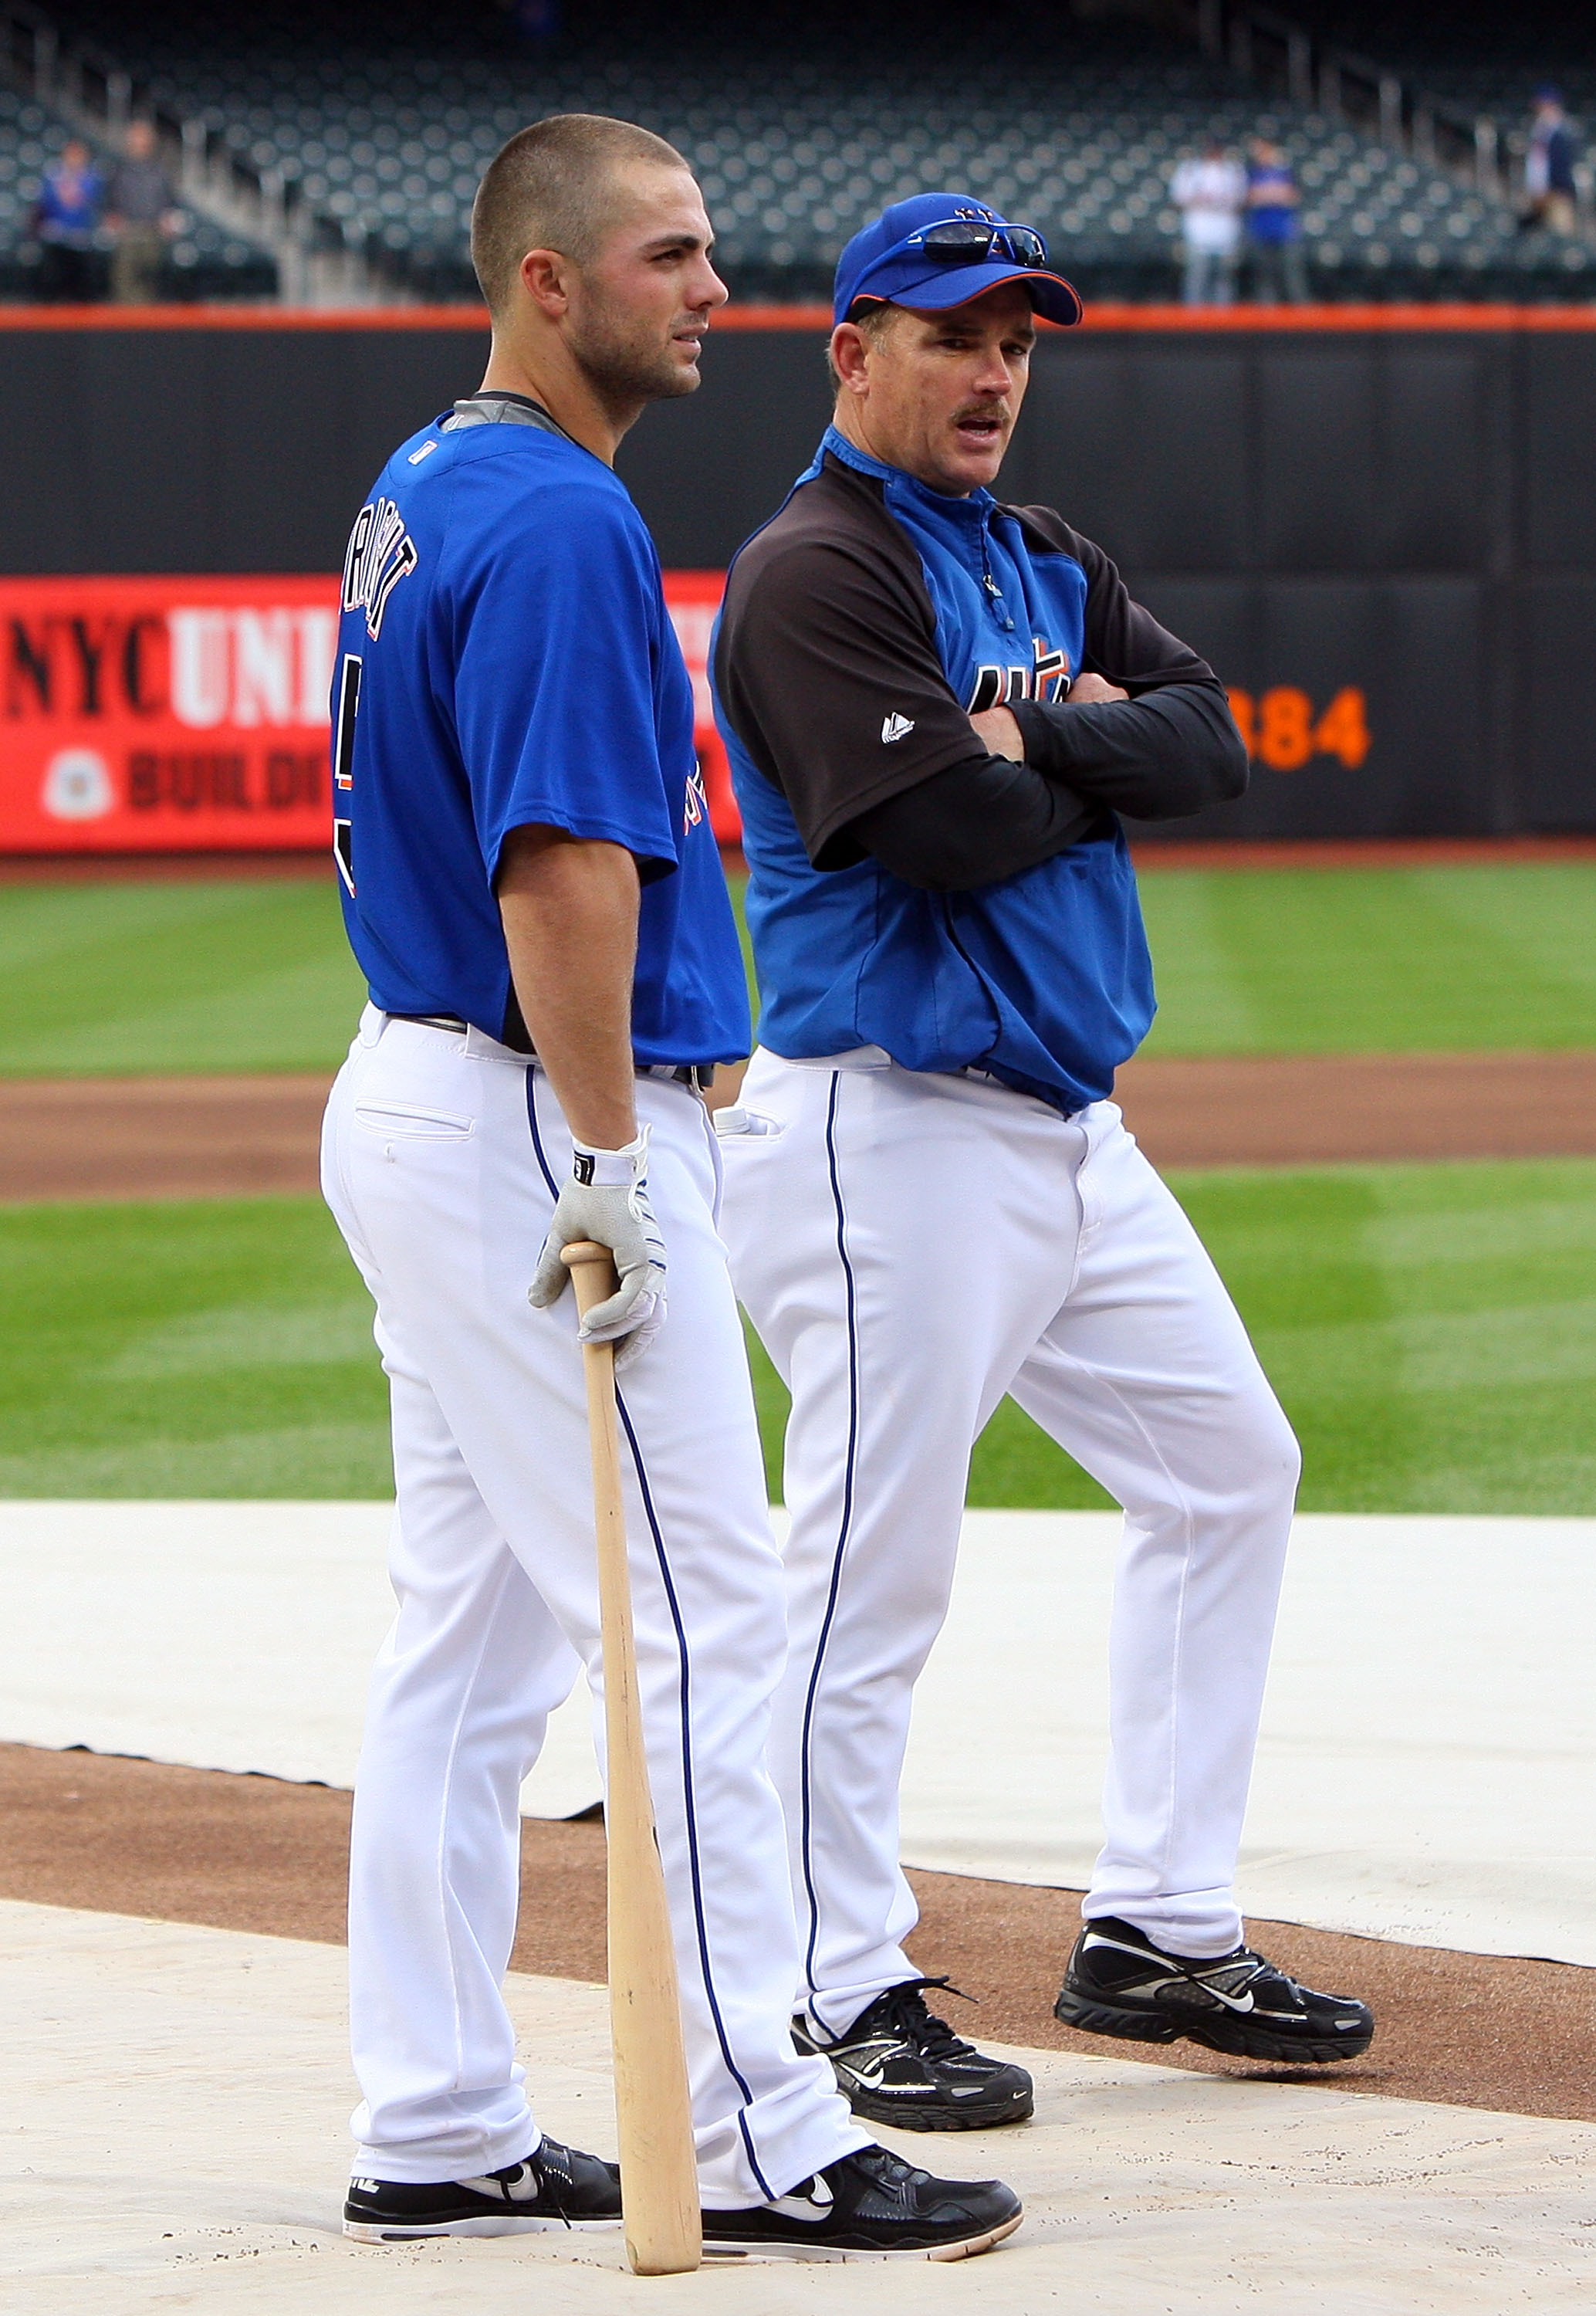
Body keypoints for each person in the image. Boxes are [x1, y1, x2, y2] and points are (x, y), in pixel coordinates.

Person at [320, 117, 1022, 2262]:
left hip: (427, 1104)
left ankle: (434, 2111)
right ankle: (754, 2127)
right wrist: (617, 1165)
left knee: (470, 1643)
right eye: (672, 255)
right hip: (545, 1119)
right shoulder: (550, 521)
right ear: (549, 279)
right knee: (713, 1622)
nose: (716, 290)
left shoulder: (427, 484)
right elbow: (561, 872)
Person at [712, 191, 1376, 2135]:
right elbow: (945, 833)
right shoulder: (814, 568)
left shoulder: (1034, 549)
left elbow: (1214, 744)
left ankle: (1154, 1923)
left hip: (1071, 1131)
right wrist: (1054, 739)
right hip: (885, 1128)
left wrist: (1042, 731)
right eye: (951, 332)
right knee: (863, 1570)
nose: (995, 368)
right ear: (853, 352)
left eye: (1018, 336)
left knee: (1227, 1469)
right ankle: (826, 1981)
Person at [105, 119, 180, 304]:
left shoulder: (161, 170)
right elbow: (109, 199)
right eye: (136, 137)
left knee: (151, 279)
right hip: (128, 230)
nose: (140, 142)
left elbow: (170, 201)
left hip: (152, 230)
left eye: (144, 137)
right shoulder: (118, 169)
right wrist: (112, 219)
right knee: (125, 279)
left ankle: (150, 322)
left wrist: (168, 221)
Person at [1169, 137, 1245, 304]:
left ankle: (1224, 314)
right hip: (1198, 229)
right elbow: (1178, 199)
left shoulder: (1233, 171)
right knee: (1197, 274)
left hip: (1225, 229)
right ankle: (1193, 314)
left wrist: (1219, 200)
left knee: (1224, 275)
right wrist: (1201, 199)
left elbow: (1241, 199)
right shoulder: (1190, 170)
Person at [32, 138, 104, 303]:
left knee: (82, 285)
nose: (75, 159)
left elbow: (91, 202)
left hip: (81, 237)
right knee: (53, 280)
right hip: (56, 237)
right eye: (71, 154)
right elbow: (45, 202)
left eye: (79, 155)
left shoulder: (91, 178)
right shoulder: (53, 177)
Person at [1245, 137, 1307, 303]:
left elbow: (1292, 196)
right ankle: (1267, 314)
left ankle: (1299, 311)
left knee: (1291, 273)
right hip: (1261, 230)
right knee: (1265, 274)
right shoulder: (1252, 173)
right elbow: (1250, 198)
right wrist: (1274, 194)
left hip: (1285, 230)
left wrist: (1265, 194)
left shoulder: (1285, 172)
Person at [1521, 90, 1577, 236]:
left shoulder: (1561, 131)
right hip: (1539, 192)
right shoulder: (1538, 131)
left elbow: (1563, 164)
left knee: (1561, 234)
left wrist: (1557, 188)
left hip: (1558, 192)